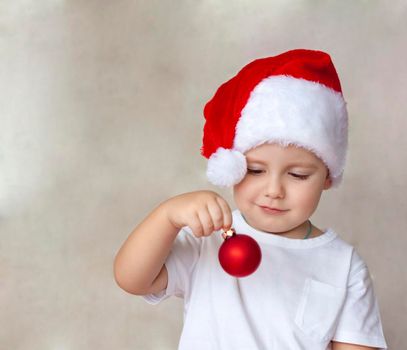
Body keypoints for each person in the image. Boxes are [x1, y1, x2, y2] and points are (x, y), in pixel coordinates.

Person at [113, 49, 388, 350]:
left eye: (297, 175)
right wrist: (167, 217)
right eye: (255, 170)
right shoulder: (208, 238)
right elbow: (132, 278)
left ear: (327, 177)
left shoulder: (343, 265)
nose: (274, 190)